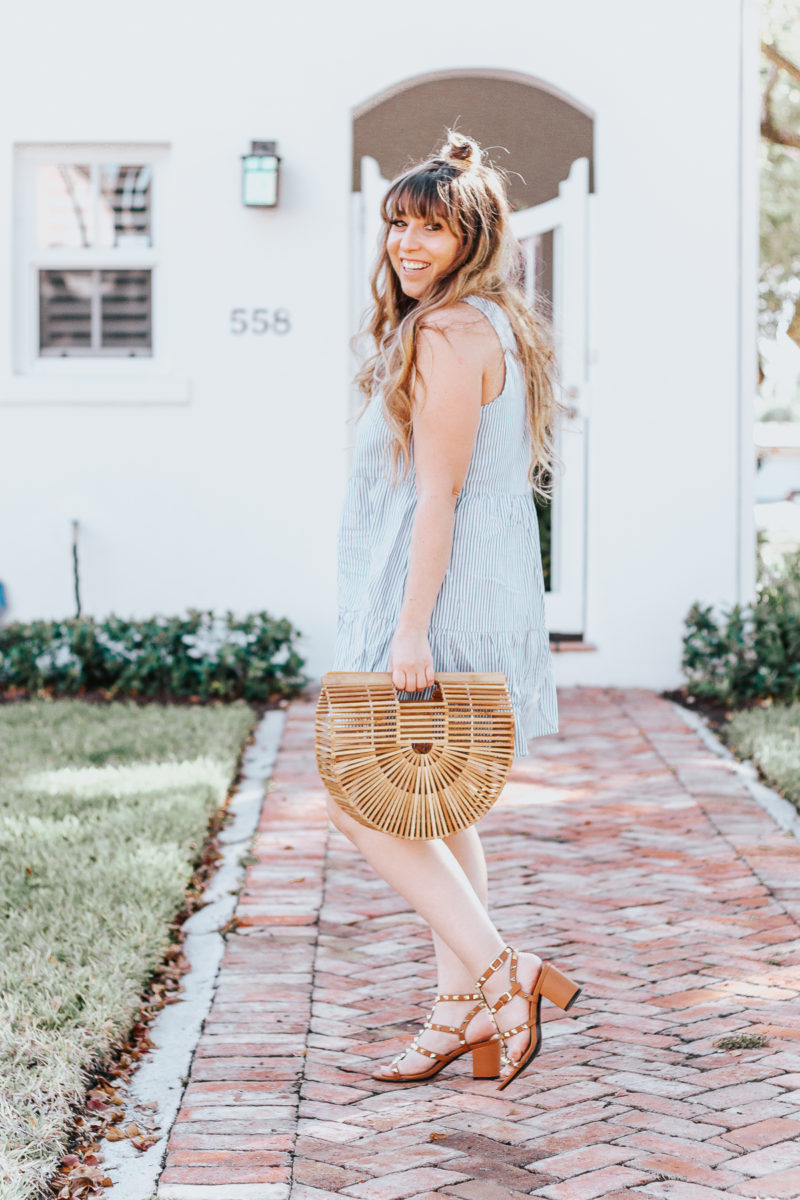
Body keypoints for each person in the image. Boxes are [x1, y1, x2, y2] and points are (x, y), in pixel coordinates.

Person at [325, 131, 580, 1090]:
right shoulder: (487, 324)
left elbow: (440, 495)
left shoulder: (446, 333)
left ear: (470, 238)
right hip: (475, 596)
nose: (407, 243)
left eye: (431, 227)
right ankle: (456, 1015)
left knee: (361, 800)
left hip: (432, 604)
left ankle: (503, 972)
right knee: (440, 805)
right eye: (398, 223)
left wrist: (409, 628)